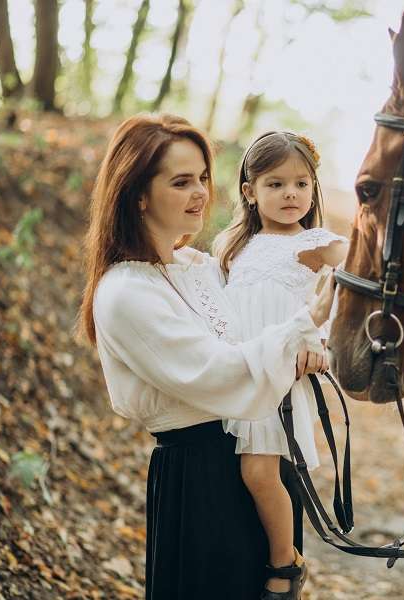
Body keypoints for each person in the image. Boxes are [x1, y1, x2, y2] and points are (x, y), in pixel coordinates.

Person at [76, 114, 336, 600]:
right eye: (180, 182)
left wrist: (311, 347)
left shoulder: (203, 268)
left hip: (259, 451)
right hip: (201, 479)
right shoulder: (126, 291)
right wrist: (300, 330)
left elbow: (263, 329)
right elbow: (219, 373)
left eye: (201, 178)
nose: (199, 192)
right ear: (137, 194)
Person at [212, 131, 348, 599]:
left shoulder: (316, 242)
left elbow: (356, 279)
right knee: (234, 476)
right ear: (249, 192)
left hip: (279, 376)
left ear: (313, 188)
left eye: (301, 184)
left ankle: (284, 562)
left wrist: (323, 341)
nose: (291, 194)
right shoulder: (232, 246)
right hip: (235, 371)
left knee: (259, 472)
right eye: (275, 184)